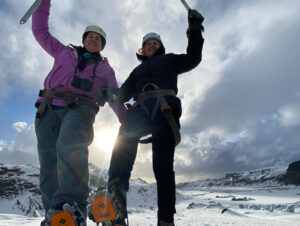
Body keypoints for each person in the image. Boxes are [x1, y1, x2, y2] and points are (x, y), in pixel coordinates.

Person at [105, 9, 204, 226]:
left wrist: (194, 30)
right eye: (148, 43)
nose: (152, 45)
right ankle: (115, 209)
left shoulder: (170, 60)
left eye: (155, 43)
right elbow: (122, 94)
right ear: (142, 49)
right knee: (121, 147)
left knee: (162, 167)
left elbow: (193, 58)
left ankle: (165, 220)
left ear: (160, 47)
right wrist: (103, 91)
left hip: (164, 110)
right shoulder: (136, 72)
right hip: (139, 112)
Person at [32, 0, 125, 225]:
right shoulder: (64, 52)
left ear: (102, 45)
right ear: (84, 39)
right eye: (90, 36)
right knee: (48, 164)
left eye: (98, 38)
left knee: (70, 145)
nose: (93, 39)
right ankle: (56, 216)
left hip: (80, 109)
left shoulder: (105, 69)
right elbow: (40, 30)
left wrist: (126, 119)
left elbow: (115, 96)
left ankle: (73, 207)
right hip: (48, 108)